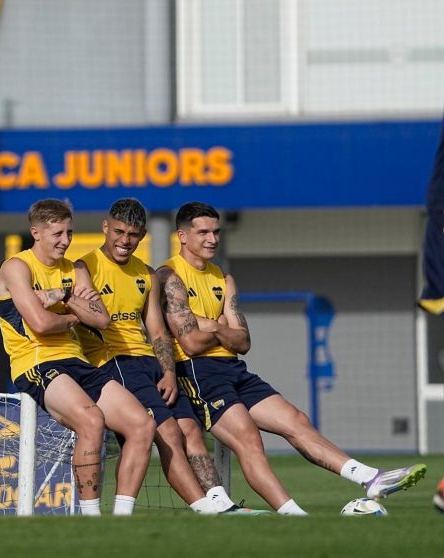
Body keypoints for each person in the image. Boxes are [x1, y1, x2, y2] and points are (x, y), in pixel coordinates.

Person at [156, 201, 427, 515]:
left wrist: (212, 327)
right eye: (203, 232)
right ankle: (293, 516)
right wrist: (220, 329)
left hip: (233, 368)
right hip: (199, 374)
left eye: (216, 232)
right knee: (248, 438)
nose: (212, 239)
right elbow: (189, 342)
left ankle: (370, 477)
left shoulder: (223, 278)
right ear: (182, 236)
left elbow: (243, 340)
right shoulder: (169, 275)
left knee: (296, 420)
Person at [76, 198, 250, 514]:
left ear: (142, 235)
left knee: (190, 429)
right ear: (105, 227)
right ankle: (202, 507)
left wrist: (168, 372)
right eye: (118, 232)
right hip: (113, 362)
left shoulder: (146, 274)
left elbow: (157, 331)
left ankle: (220, 502)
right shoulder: (84, 268)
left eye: (133, 234)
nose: (124, 241)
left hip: (151, 364)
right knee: (166, 432)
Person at [0, 198, 155, 516]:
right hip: (36, 362)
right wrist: (74, 314)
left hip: (76, 361)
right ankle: (90, 516)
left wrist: (64, 296)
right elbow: (40, 324)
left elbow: (101, 319)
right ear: (36, 232)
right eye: (57, 234)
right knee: (91, 420)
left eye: (69, 233)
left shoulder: (74, 269)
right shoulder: (17, 266)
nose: (65, 241)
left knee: (142, 425)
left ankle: (121, 521)